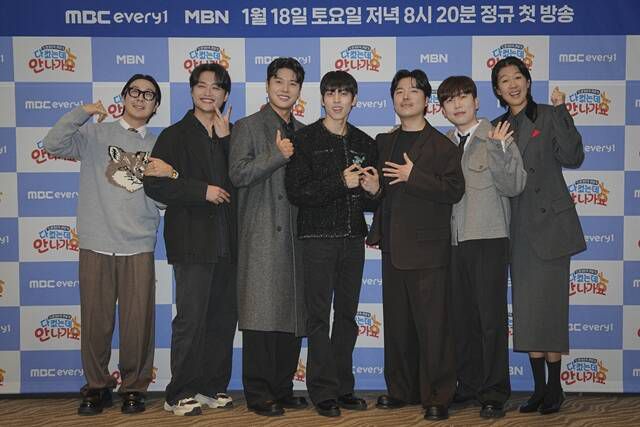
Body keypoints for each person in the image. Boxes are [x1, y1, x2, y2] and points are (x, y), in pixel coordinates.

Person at [43, 74, 173, 415]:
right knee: (95, 322)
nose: (140, 98)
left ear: (156, 106)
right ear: (124, 96)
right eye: (134, 91)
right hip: (96, 243)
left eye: (149, 95)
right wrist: (83, 111)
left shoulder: (160, 145)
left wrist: (169, 176)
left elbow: (165, 199)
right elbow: (52, 144)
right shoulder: (94, 134)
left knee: (137, 324)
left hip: (138, 245)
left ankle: (134, 387)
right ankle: (97, 386)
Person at [366, 69, 464, 421]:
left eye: (413, 91)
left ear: (426, 100)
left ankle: (438, 394)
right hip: (393, 248)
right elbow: (381, 194)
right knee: (397, 325)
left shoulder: (442, 145)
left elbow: (454, 190)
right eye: (399, 91)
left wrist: (414, 176)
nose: (405, 97)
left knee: (433, 328)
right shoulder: (384, 142)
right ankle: (401, 389)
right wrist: (373, 190)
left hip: (428, 251)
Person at [491, 56, 586, 415]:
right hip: (517, 229)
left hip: (551, 228)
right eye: (504, 80)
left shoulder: (548, 115)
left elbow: (573, 156)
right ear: (497, 90)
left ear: (528, 82)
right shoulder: (497, 127)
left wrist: (563, 113)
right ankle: (539, 389)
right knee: (528, 311)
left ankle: (555, 387)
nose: (513, 84)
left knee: (551, 309)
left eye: (518, 77)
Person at [143, 63, 237, 416]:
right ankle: (178, 392)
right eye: (202, 85)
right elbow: (154, 183)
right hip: (193, 241)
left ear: (225, 95)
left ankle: (211, 387)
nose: (208, 92)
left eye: (217, 87)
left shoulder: (231, 134)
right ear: (192, 90)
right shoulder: (174, 135)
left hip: (229, 243)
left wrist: (227, 141)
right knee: (191, 320)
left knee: (222, 319)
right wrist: (201, 191)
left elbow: (240, 181)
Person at [285, 70, 379, 417]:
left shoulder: (365, 142)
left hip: (353, 239)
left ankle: (343, 387)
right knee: (318, 319)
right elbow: (297, 192)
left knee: (347, 317)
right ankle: (322, 391)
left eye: (344, 93)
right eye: (331, 93)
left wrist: (375, 192)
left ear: (354, 100)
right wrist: (340, 182)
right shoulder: (304, 139)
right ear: (322, 98)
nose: (337, 100)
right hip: (317, 240)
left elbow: (369, 198)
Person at [437, 75, 527, 418]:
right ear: (443, 109)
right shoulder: (444, 143)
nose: (457, 104)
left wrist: (501, 150)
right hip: (454, 241)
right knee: (461, 320)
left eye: (463, 97)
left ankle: (494, 392)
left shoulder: (496, 135)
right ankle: (469, 385)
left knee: (490, 320)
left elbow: (515, 185)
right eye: (449, 99)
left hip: (488, 238)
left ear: (476, 101)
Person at [228, 57, 308, 417]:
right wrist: (277, 155)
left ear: (299, 90)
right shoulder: (247, 126)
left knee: (291, 316)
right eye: (279, 81)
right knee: (261, 316)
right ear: (267, 85)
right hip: (261, 232)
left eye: (293, 83)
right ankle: (259, 392)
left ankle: (283, 387)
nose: (285, 88)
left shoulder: (304, 131)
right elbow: (238, 174)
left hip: (297, 236)